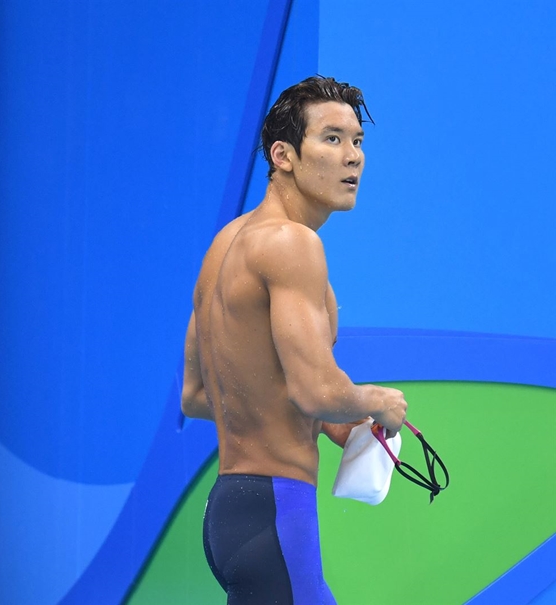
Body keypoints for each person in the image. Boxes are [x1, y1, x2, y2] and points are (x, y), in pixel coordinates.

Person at [181, 76, 408, 605]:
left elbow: (197, 395)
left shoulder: (226, 244)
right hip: (279, 513)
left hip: (234, 510)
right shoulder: (292, 244)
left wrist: (329, 423)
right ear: (282, 155)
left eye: (357, 141)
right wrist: (376, 401)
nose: (352, 157)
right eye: (332, 138)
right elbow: (315, 389)